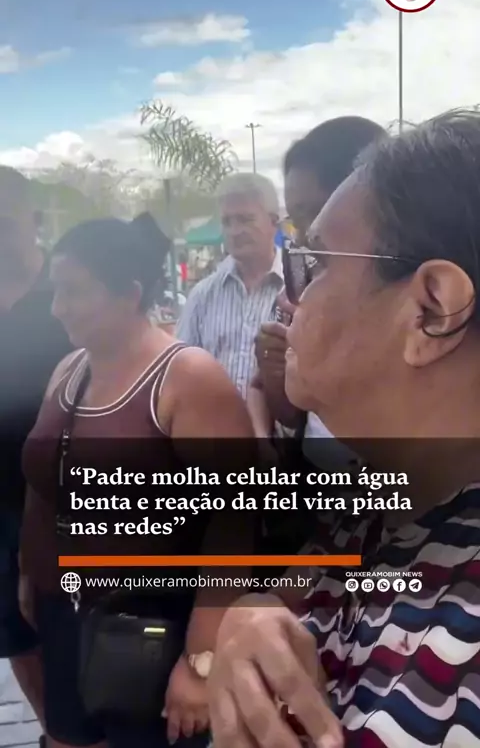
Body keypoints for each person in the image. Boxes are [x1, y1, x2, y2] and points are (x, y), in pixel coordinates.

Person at [208, 109, 480, 748]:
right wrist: (250, 617)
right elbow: (291, 596)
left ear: (431, 311)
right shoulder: (380, 503)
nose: (290, 300)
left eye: (315, 263)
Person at [18, 214, 255, 748]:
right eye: (56, 290)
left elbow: (233, 525)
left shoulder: (187, 379)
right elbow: (43, 481)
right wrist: (29, 575)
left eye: (74, 292)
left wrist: (200, 658)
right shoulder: (69, 369)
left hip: (152, 630)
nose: (57, 308)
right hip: (64, 614)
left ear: (128, 294)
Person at [247, 117, 386, 454]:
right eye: (296, 218)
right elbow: (292, 417)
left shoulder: (418, 300)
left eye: (316, 211)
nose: (305, 236)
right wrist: (276, 371)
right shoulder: (294, 298)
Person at [0, 166, 72, 746]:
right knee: (12, 634)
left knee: (72, 632)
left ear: (33, 219)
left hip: (63, 502)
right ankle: (54, 731)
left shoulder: (68, 292)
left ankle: (78, 731)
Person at [177, 173, 283, 397]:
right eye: (227, 222)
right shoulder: (202, 296)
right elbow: (180, 372)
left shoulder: (301, 289)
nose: (234, 231)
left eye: (245, 219)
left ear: (274, 222)